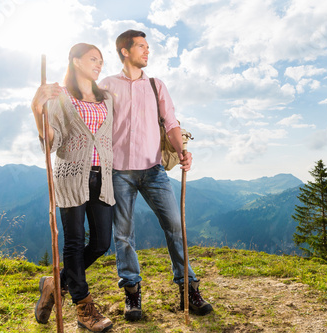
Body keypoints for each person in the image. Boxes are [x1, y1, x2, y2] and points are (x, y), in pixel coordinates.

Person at [99, 30, 213, 321]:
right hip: (118, 171)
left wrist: (181, 151)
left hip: (153, 169)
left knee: (176, 226)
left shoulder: (155, 85)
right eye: (141, 47)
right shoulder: (107, 85)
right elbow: (93, 119)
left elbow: (171, 122)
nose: (147, 52)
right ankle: (132, 295)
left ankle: (189, 289)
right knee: (123, 235)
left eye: (148, 47)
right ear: (125, 51)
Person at [31, 43, 114, 332]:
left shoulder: (107, 98)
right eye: (93, 58)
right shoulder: (61, 97)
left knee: (102, 242)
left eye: (101, 60)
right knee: (75, 243)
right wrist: (36, 109)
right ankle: (84, 307)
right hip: (70, 175)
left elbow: (108, 139)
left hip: (102, 177)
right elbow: (51, 141)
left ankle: (55, 283)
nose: (99, 64)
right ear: (75, 61)